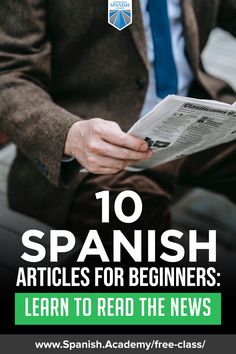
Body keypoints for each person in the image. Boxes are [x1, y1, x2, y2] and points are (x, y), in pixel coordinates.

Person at [0, 0, 236, 240]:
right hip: (95, 149)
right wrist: (69, 134)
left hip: (199, 118)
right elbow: (8, 74)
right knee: (139, 244)